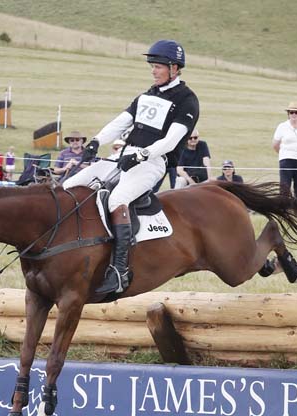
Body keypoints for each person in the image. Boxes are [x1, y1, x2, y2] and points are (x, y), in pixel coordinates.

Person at [63, 39, 199, 300]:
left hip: (152, 163)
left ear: (174, 68)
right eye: (152, 66)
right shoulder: (148, 94)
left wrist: (142, 155)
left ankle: (119, 269)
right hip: (123, 156)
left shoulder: (187, 100)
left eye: (158, 66)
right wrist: (96, 141)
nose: (153, 70)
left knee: (117, 199)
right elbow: (122, 121)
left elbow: (170, 141)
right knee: (70, 186)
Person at [271, 100, 297, 201]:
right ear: (288, 114)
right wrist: (284, 154)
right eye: (292, 112)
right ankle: (284, 210)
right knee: (285, 187)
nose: (294, 114)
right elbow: (275, 144)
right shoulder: (282, 126)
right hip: (286, 160)